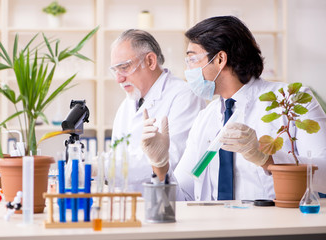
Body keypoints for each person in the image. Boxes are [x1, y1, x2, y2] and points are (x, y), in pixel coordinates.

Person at [141, 16, 326, 201]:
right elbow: (183, 197)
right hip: (216, 228)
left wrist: (268, 160)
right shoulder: (205, 118)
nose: (188, 70)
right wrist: (160, 164)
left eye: (193, 59)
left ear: (220, 59)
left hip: (274, 227)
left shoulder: (292, 99)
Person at [109, 29, 206, 193]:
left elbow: (170, 161)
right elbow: (118, 159)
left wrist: (104, 168)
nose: (119, 79)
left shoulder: (184, 96)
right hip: (131, 207)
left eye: (124, 68)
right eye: (115, 71)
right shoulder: (126, 104)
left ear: (150, 61)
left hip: (171, 204)